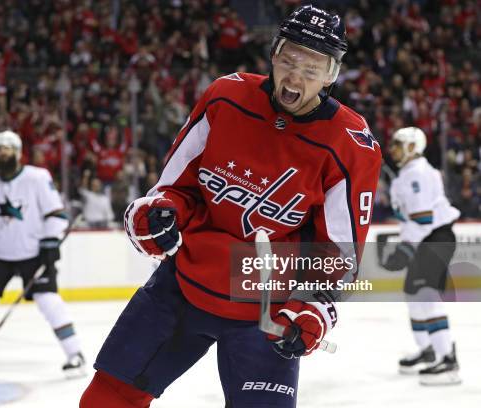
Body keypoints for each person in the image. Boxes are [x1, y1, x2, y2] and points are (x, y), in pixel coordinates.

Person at [80, 5, 382, 407]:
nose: (296, 76)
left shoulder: (350, 142)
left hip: (266, 311)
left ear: (331, 75)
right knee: (107, 400)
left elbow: (338, 251)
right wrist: (156, 215)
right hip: (182, 288)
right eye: (289, 59)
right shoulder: (227, 97)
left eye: (312, 68)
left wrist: (315, 305)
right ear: (273, 54)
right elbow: (174, 188)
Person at [0, 130, 84, 375]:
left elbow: (56, 214)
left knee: (49, 301)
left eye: (8, 149)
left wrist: (50, 242)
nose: (2, 153)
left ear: (17, 152)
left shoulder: (37, 178)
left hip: (33, 253)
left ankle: (75, 353)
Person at [383, 127, 461, 385]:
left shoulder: (416, 174)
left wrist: (405, 249)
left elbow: (423, 219)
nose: (393, 149)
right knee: (414, 294)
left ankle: (448, 361)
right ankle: (428, 350)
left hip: (435, 236)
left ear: (412, 146)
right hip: (428, 237)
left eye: (398, 144)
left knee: (426, 294)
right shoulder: (408, 173)